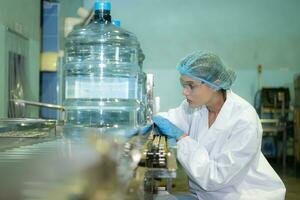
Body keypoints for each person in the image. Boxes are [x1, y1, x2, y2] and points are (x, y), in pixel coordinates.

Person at [152, 51, 286, 200]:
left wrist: (183, 139)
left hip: (243, 195)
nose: (185, 92)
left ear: (215, 84)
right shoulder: (196, 107)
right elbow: (170, 120)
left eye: (191, 85)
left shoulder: (243, 119)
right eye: (183, 85)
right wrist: (147, 122)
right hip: (207, 195)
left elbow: (216, 177)